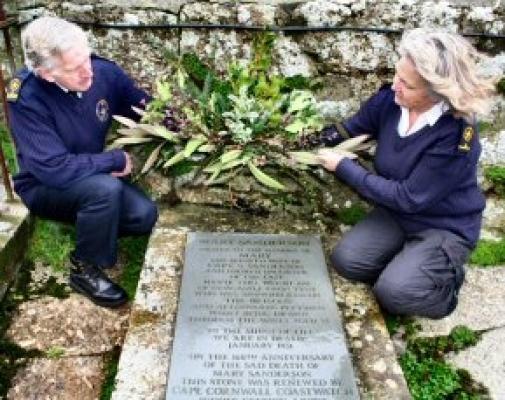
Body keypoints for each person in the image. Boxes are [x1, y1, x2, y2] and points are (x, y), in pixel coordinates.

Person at [317, 28, 495, 319]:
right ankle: (407, 264)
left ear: (437, 93)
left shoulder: (456, 135)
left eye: (408, 85)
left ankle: (444, 286)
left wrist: (344, 167)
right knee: (346, 261)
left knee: (394, 293)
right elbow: (348, 131)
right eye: (398, 76)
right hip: (396, 214)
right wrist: (295, 142)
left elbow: (410, 197)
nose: (396, 86)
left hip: (443, 224)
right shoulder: (390, 102)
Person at [7, 16, 158, 308]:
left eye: (87, 59)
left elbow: (145, 108)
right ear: (46, 74)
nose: (89, 73)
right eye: (75, 69)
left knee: (143, 216)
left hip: (87, 175)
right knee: (104, 191)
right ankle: (84, 267)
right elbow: (54, 169)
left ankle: (94, 220)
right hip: (43, 185)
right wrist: (112, 160)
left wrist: (190, 125)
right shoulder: (26, 97)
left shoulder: (100, 71)